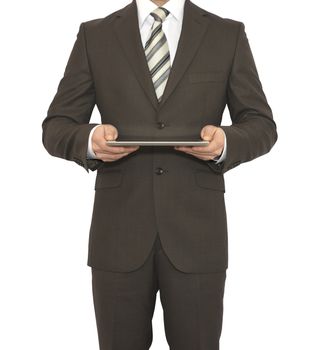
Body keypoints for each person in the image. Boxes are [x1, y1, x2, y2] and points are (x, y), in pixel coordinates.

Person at [41, 0, 278, 349]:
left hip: (198, 235)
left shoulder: (227, 34)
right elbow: (56, 127)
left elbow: (261, 125)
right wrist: (90, 141)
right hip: (117, 234)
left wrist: (226, 141)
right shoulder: (95, 35)